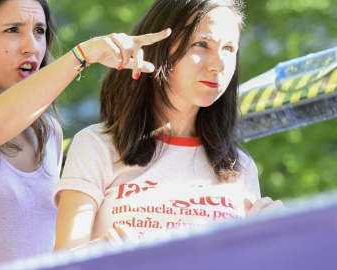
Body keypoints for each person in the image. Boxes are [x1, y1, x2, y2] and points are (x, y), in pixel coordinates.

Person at [0, 0, 171, 268]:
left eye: (39, 31)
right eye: (13, 30)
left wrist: (99, 249)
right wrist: (83, 55)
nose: (32, 47)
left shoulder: (48, 132)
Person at [53, 0, 285, 251]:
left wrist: (271, 240)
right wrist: (101, 255)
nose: (218, 64)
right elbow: (63, 261)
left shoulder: (240, 166)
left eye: (229, 48)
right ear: (159, 47)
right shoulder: (96, 146)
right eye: (201, 44)